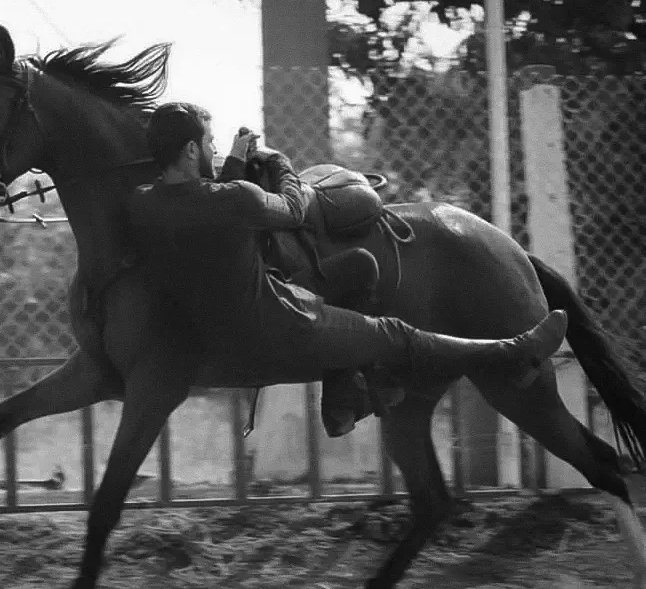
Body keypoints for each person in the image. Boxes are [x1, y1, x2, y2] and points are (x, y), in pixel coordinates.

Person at [128, 102, 567, 436]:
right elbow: (294, 208)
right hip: (273, 317)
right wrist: (279, 162)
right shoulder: (235, 199)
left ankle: (343, 392)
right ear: (190, 150)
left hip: (203, 328)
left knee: (357, 270)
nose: (213, 150)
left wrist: (237, 160)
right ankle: (516, 350)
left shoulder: (143, 203)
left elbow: (203, 201)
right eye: (208, 144)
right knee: (394, 327)